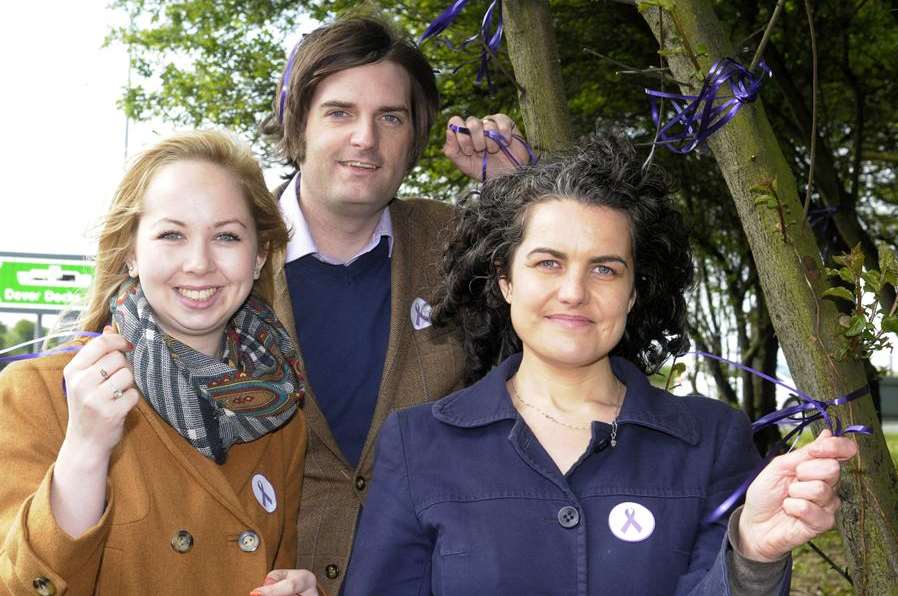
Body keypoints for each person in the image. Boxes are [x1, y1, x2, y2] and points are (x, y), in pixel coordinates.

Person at [342, 134, 859, 595]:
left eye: (605, 269)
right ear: (505, 280)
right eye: (548, 262)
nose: (574, 292)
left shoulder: (713, 441)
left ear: (634, 292)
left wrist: (751, 554)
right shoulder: (417, 443)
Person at [259, 14, 530, 591]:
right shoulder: (226, 245)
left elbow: (557, 348)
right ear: (297, 121)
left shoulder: (461, 243)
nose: (366, 138)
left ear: (415, 137)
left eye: (390, 117)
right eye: (340, 112)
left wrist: (521, 202)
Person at [0, 130, 319, 595]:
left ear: (259, 256)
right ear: (131, 252)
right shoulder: (41, 393)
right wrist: (85, 451)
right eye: (172, 234)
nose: (198, 262)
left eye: (227, 236)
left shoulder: (281, 416)